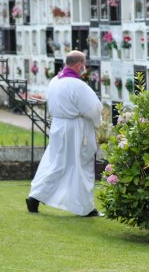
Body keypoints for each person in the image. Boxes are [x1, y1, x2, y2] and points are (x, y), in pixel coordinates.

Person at [26, 51, 103, 217]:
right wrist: (99, 124)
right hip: (76, 128)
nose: (85, 67)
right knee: (81, 165)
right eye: (84, 64)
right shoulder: (77, 85)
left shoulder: (55, 80)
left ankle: (35, 196)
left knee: (57, 163)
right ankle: (85, 207)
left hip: (59, 126)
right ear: (79, 64)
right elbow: (93, 109)